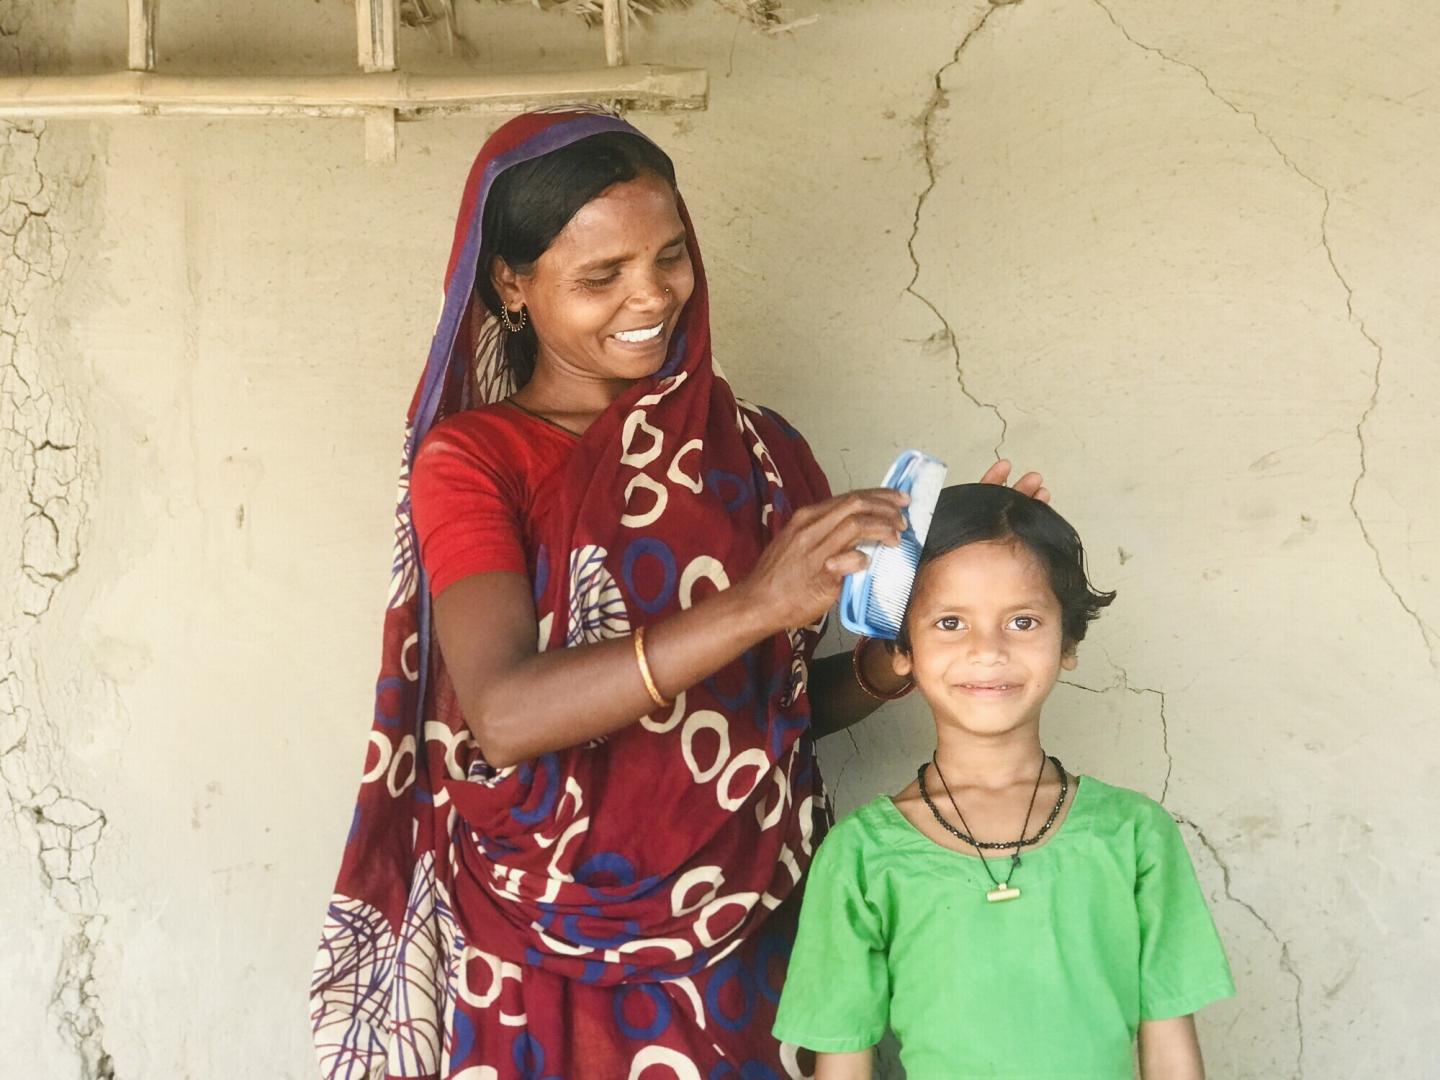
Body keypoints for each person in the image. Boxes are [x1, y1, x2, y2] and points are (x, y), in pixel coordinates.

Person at [309, 110, 1046, 1079]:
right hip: (544, 941)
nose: (649, 297)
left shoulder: (759, 450)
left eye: (670, 257)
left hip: (756, 927)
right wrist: (756, 601)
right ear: (511, 285)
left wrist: (878, 668)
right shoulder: (479, 460)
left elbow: (751, 726)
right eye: (599, 277)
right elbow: (503, 713)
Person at [773, 484, 1235, 1079]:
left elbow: (1171, 1055)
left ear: (1068, 640)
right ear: (902, 648)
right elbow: (843, 1067)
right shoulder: (862, 856)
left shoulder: (1135, 834)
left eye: (1022, 620)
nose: (986, 650)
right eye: (949, 622)